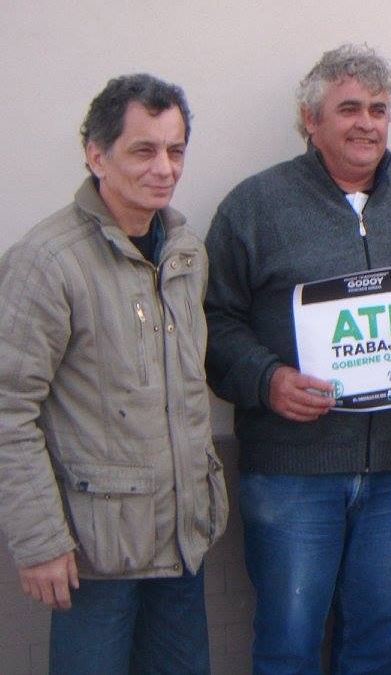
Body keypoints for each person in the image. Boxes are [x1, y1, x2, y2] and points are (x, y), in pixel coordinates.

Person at [203, 44, 391, 674]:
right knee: (289, 641)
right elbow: (213, 321)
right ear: (309, 119)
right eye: (349, 108)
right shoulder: (255, 205)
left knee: (376, 637)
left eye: (378, 109)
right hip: (293, 469)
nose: (367, 123)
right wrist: (268, 381)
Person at [0, 74, 227, 675]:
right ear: (96, 155)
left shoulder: (185, 251)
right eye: (143, 150)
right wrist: (41, 541)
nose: (165, 168)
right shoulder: (48, 262)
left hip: (180, 545)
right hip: (93, 556)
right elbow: (7, 408)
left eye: (175, 150)